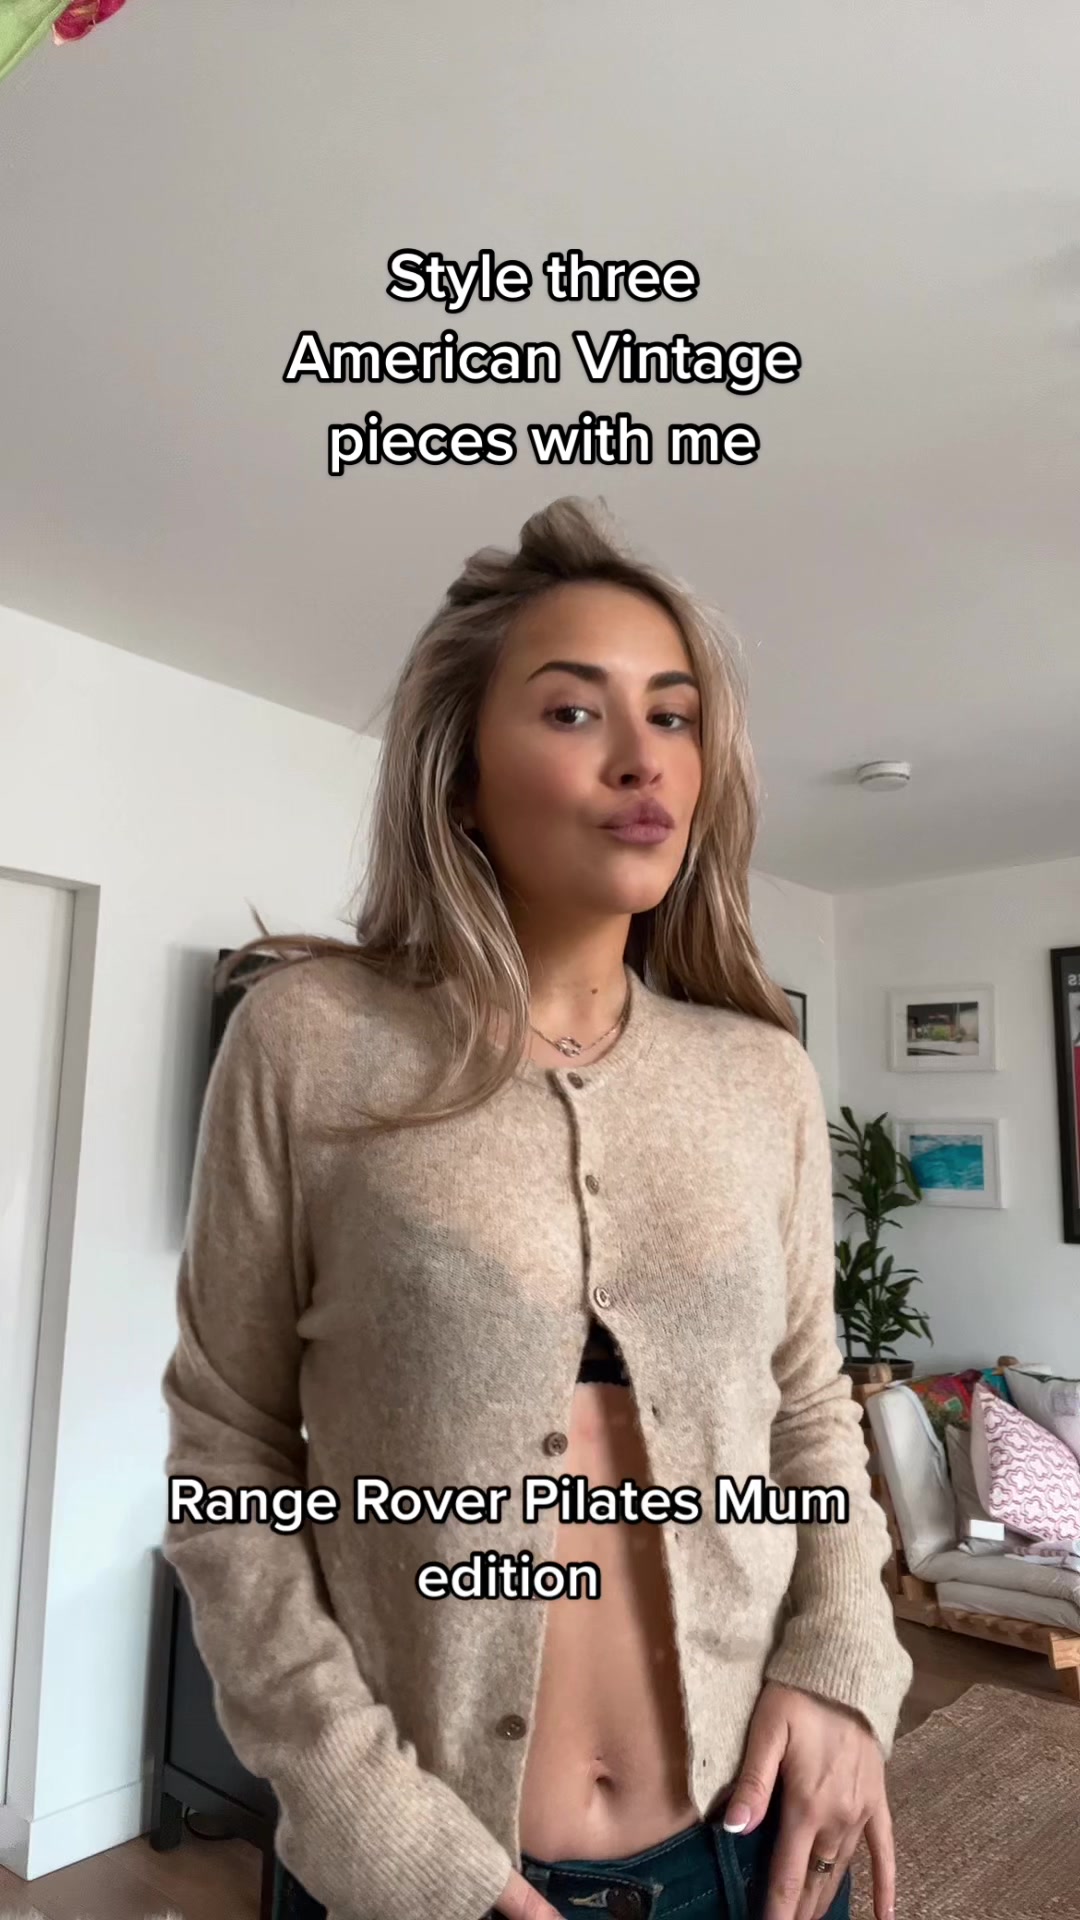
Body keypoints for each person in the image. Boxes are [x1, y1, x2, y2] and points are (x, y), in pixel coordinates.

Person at [161, 495, 912, 1920]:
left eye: (674, 717)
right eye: (574, 712)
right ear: (458, 777)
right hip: (423, 1870)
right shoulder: (309, 1044)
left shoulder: (759, 1077)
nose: (644, 757)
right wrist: (366, 1819)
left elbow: (809, 1405)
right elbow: (226, 1454)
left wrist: (843, 1663)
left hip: (743, 1850)